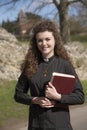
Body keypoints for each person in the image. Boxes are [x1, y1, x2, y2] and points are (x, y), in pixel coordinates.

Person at [14, 19, 84, 130]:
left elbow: (80, 97)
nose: (44, 44)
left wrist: (58, 97)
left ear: (55, 40)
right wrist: (34, 100)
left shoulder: (65, 65)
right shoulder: (30, 66)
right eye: (40, 40)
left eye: (47, 39)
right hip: (36, 125)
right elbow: (18, 94)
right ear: (36, 43)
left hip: (60, 125)